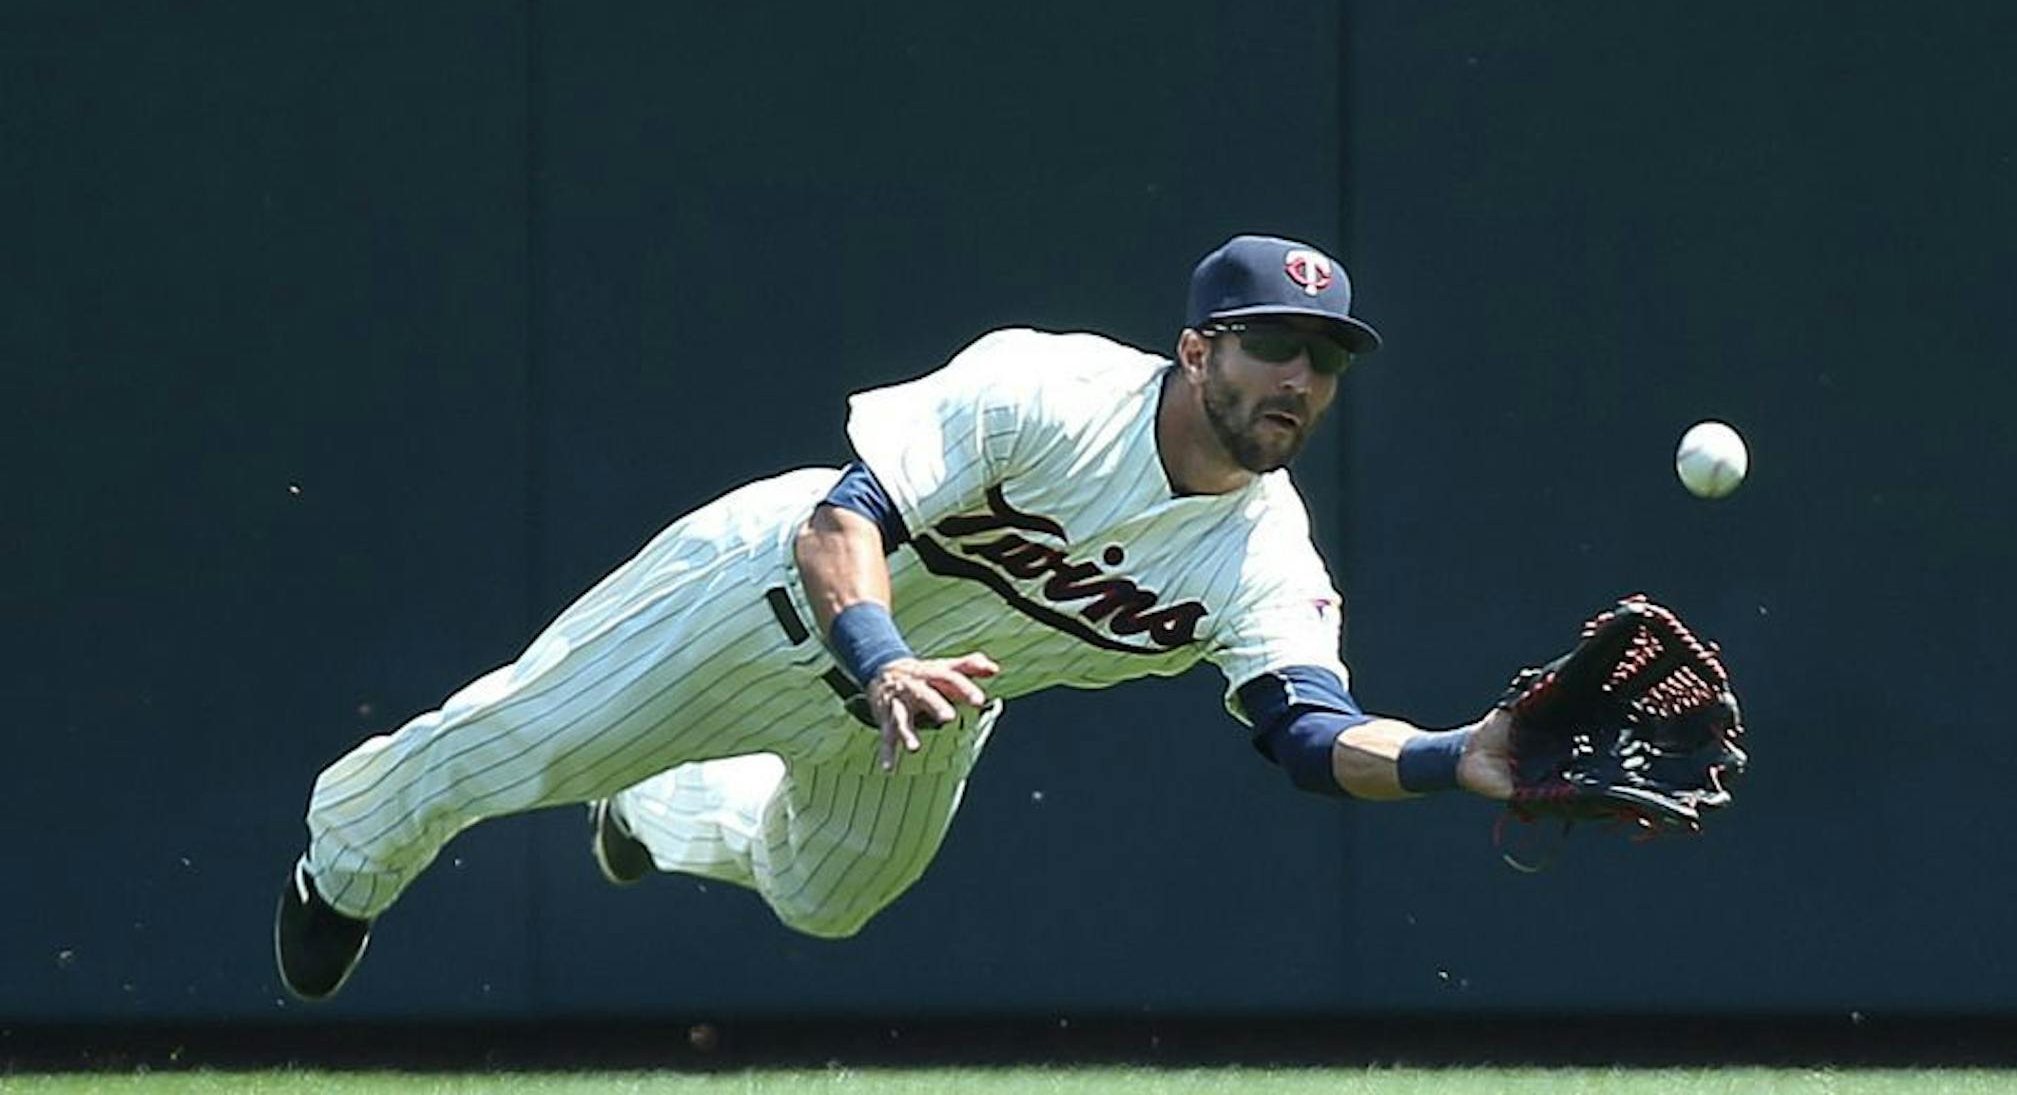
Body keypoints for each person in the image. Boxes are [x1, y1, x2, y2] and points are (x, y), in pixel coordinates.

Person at [274, 234, 1521, 1002]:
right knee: (496, 755)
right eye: (1274, 344)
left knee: (827, 900)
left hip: (934, 702)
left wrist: (1448, 758)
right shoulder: (1053, 389)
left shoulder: (1265, 549)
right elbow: (837, 522)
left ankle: (660, 814)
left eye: (1326, 358)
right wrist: (877, 661)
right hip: (760, 604)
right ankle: (346, 844)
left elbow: (1308, 734)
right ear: (1200, 349)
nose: (1299, 378)